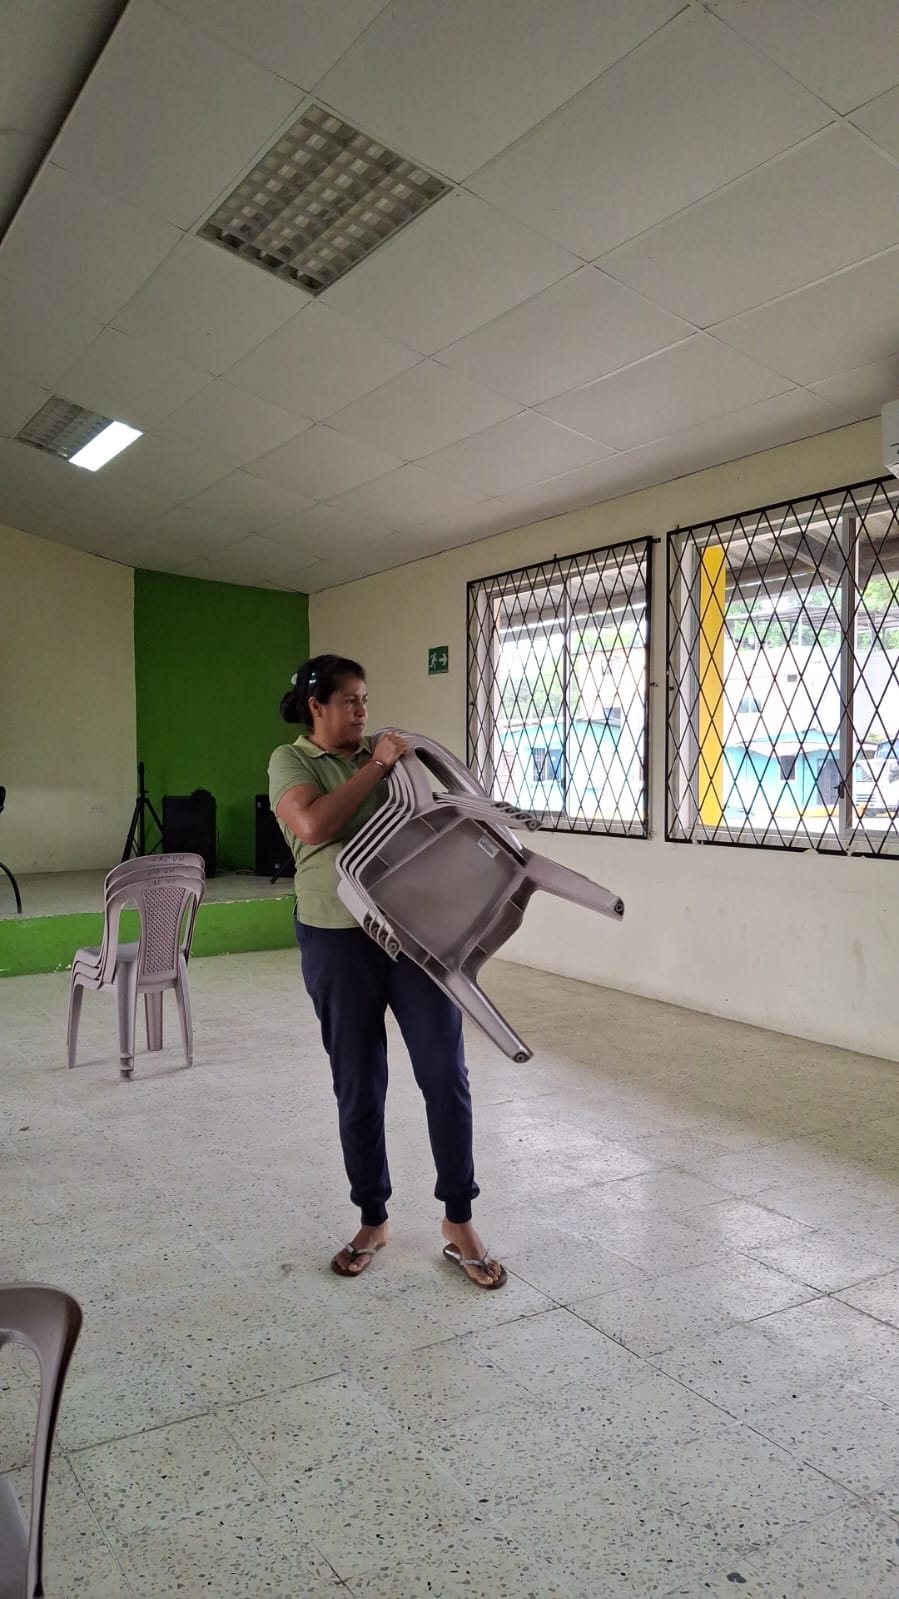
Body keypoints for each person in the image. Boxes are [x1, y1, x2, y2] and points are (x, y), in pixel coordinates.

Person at [268, 653, 505, 1289]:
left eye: (365, 700)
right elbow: (313, 824)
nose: (362, 711)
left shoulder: (387, 754)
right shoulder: (292, 761)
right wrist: (375, 766)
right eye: (350, 700)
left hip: (412, 935)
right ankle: (372, 1218)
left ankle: (459, 1219)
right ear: (316, 706)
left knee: (444, 1073)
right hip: (337, 938)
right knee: (359, 1081)